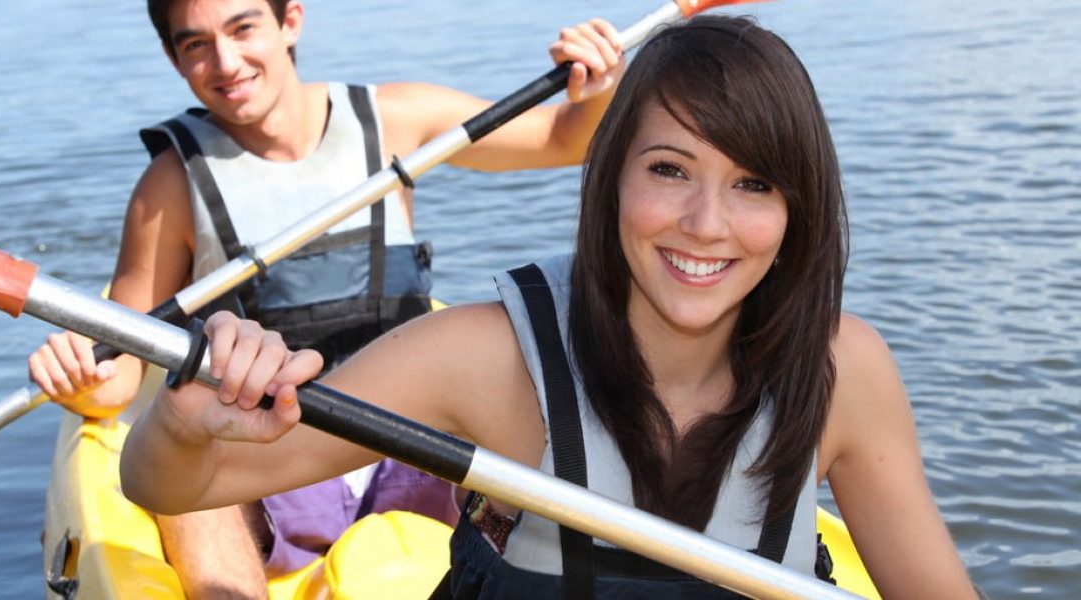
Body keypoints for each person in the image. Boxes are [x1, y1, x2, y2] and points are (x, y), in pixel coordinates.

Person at [119, 14, 981, 599]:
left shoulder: (842, 370)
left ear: (800, 211)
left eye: (753, 184)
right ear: (611, 182)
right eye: (669, 170)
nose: (706, 225)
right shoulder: (483, 358)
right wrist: (181, 425)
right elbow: (165, 484)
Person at [28, 0, 626, 596]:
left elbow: (567, 138)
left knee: (525, 413)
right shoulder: (168, 187)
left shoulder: (394, 119)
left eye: (243, 29)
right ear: (173, 58)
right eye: (196, 45)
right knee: (186, 484)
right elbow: (121, 365)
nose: (227, 62)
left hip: (410, 431)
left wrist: (597, 85)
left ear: (291, 21)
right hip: (272, 447)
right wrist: (79, 375)